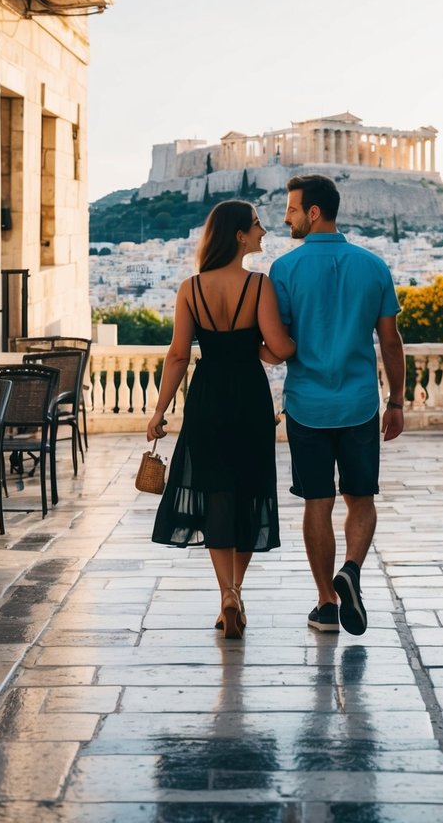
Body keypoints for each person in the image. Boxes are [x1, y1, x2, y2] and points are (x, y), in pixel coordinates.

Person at [147, 199, 295, 639]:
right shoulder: (259, 286)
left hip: (207, 398)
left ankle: (225, 593)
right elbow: (281, 349)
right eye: (256, 225)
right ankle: (236, 590)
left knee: (216, 495)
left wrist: (159, 411)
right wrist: (257, 349)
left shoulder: (190, 289)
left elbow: (177, 355)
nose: (264, 231)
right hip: (248, 397)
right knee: (249, 491)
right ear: (238, 235)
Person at [269, 174, 405, 636]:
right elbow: (391, 341)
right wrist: (397, 402)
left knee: (317, 503)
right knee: (361, 499)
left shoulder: (284, 271)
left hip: (307, 404)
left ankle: (327, 602)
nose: (285, 217)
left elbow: (279, 342)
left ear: (312, 212)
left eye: (290, 209)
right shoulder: (373, 266)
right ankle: (351, 569)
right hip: (361, 404)